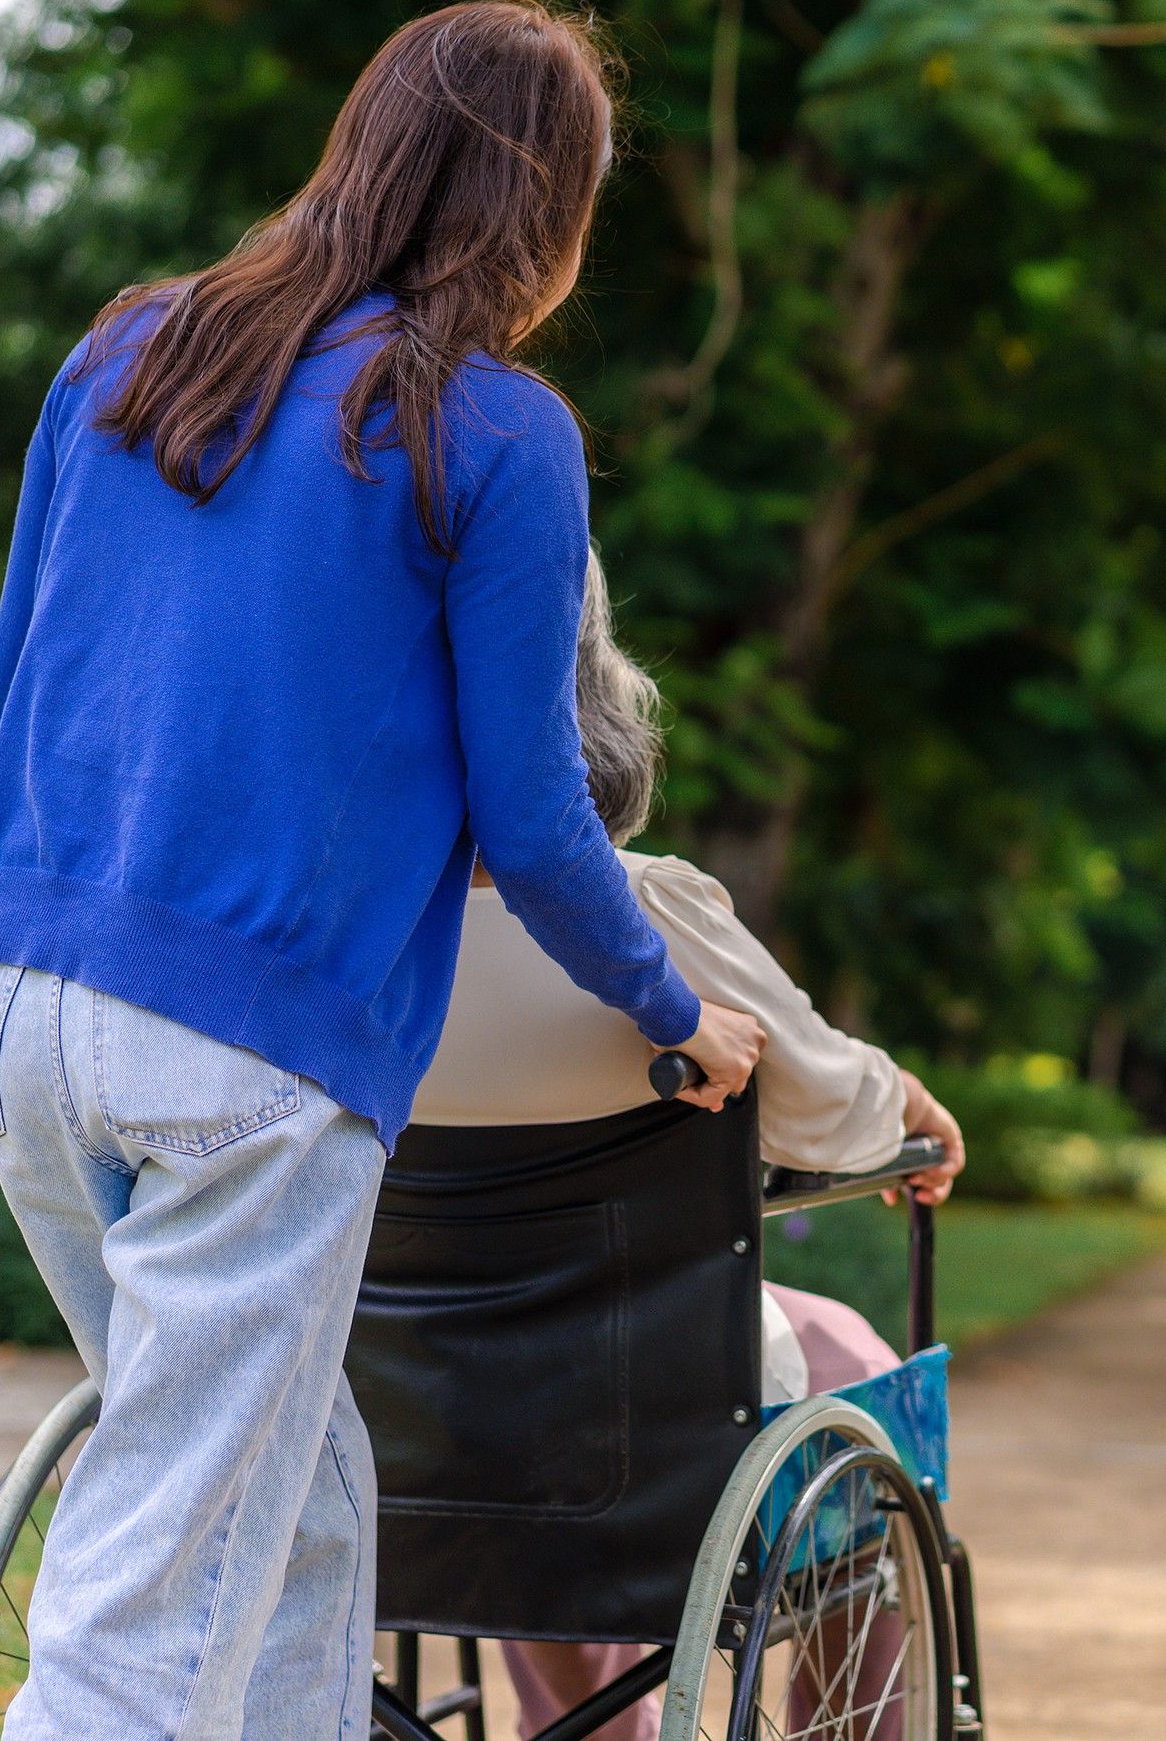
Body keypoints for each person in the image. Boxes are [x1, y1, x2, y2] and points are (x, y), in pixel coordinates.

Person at [0, 0, 766, 1741]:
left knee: (295, 1499)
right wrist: (674, 1009)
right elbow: (540, 817)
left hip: (17, 1008)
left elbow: (4, 709)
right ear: (543, 215)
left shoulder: (121, 358)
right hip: (246, 1060)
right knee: (151, 1606)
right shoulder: (495, 430)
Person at [408, 551, 963, 1740]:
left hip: (417, 1412)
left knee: (510, 1412)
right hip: (635, 1401)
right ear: (595, 699)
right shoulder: (646, 913)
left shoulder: (340, 935)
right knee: (851, 1360)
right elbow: (822, 1104)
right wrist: (902, 1107)